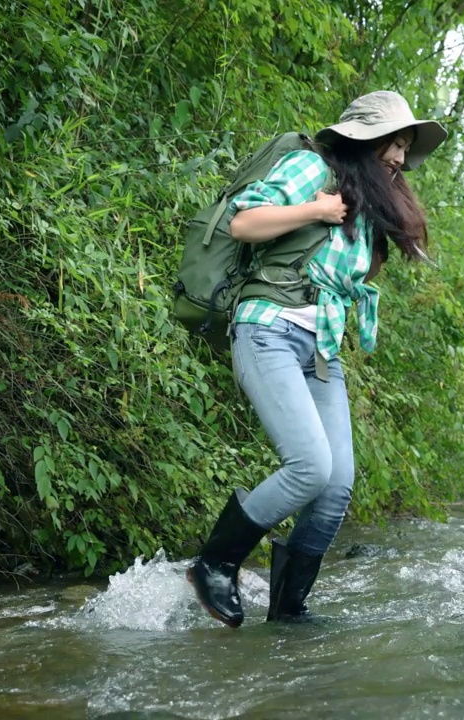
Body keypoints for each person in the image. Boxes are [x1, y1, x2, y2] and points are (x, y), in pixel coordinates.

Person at [187, 91, 447, 627]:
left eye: (403, 147)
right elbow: (244, 223)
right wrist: (316, 209)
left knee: (336, 486)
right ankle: (213, 564)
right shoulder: (314, 168)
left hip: (321, 346)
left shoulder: (369, 196)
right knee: (309, 467)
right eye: (392, 144)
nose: (399, 157)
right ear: (362, 139)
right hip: (269, 330)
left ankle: (288, 607)